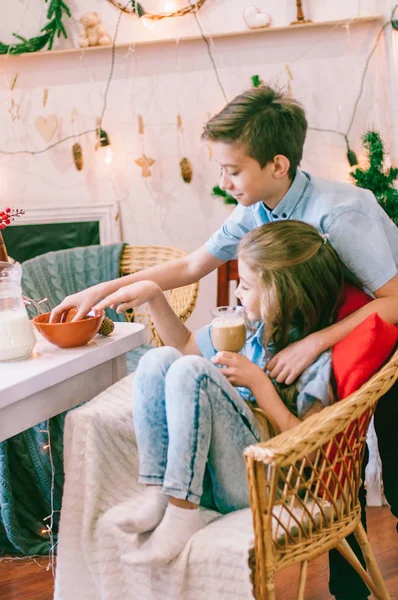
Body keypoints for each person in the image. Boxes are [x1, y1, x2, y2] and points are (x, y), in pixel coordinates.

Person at [51, 84, 398, 598]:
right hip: (287, 342)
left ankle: (351, 585)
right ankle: (164, 497)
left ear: (277, 164)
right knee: (174, 361)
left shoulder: (342, 213)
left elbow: (392, 300)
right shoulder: (256, 210)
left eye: (233, 170)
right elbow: (192, 266)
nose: (224, 180)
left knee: (377, 460)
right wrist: (99, 292)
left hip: (369, 332)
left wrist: (313, 344)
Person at [115, 220, 344, 566]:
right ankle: (158, 492)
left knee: (193, 370)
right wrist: (155, 297)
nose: (237, 294)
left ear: (284, 291)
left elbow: (313, 454)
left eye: (247, 286)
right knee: (160, 357)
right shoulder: (248, 328)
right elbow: (185, 346)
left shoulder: (313, 360)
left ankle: (182, 510)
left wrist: (259, 384)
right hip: (212, 474)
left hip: (261, 487)